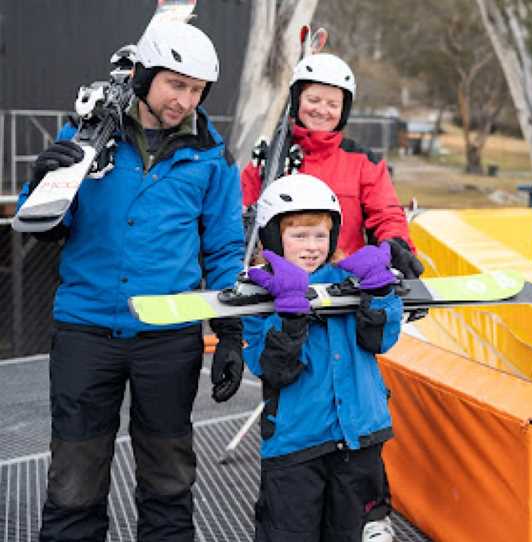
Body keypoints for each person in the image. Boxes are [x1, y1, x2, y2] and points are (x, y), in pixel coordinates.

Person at [17, 21, 246, 541]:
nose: (184, 100)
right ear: (144, 75)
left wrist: (231, 332)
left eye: (196, 90)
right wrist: (42, 182)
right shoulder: (86, 135)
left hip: (168, 334)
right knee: (74, 480)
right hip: (87, 329)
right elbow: (47, 230)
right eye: (175, 84)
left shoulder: (212, 155)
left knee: (168, 477)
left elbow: (225, 248)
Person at [242, 174, 402, 541]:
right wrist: (290, 317)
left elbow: (380, 340)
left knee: (348, 534)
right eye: (298, 235)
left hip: (360, 436)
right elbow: (274, 369)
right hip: (297, 444)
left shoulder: (349, 280)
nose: (312, 246)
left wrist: (378, 295)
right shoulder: (258, 292)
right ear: (271, 237)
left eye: (320, 235)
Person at [240, 52, 424, 281]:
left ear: (343, 110)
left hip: (343, 285)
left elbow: (385, 214)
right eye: (313, 100)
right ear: (297, 101)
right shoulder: (271, 159)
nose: (322, 110)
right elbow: (240, 213)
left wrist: (395, 244)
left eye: (332, 104)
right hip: (278, 286)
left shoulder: (362, 161)